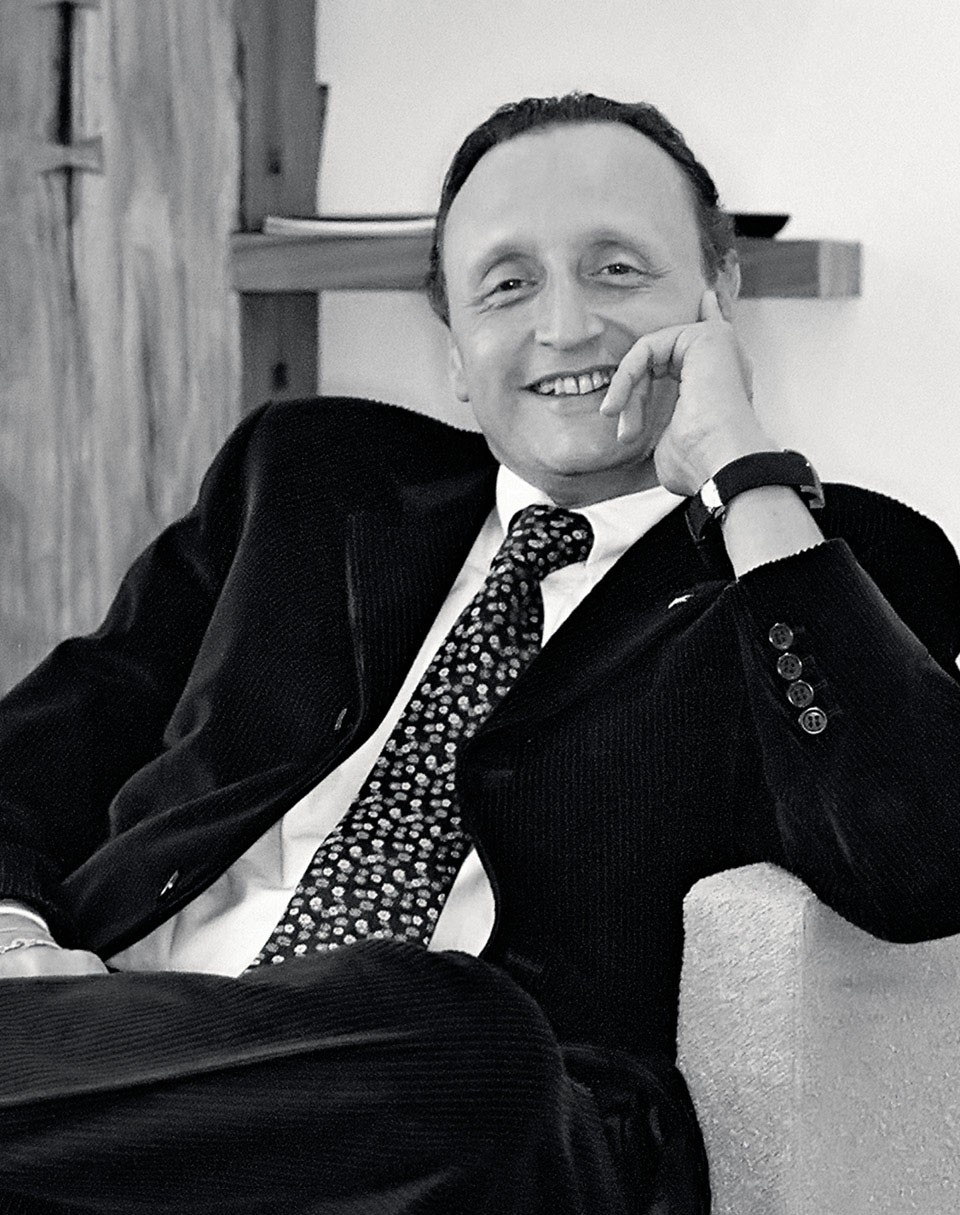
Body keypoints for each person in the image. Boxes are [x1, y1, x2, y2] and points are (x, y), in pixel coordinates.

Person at [1, 91, 960, 1215]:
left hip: (456, 1105)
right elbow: (43, 741)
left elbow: (919, 865)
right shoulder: (307, 477)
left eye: (616, 270)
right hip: (125, 1043)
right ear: (453, 344)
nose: (565, 328)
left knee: (459, 1032)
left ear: (720, 293)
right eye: (507, 286)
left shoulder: (821, 562)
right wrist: (16, 944)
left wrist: (741, 472)